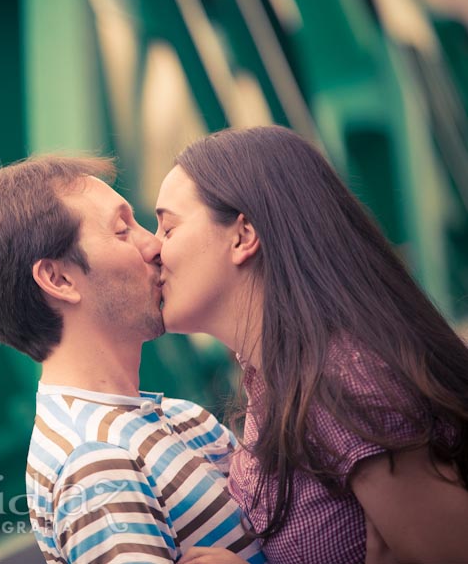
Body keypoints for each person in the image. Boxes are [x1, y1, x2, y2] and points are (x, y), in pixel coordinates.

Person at [154, 125, 468, 563]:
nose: (151, 249)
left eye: (167, 229)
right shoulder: (273, 378)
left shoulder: (339, 380)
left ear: (243, 236)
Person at [0, 156, 265, 564]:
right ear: (59, 279)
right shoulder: (93, 460)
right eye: (123, 230)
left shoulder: (177, 418)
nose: (155, 245)